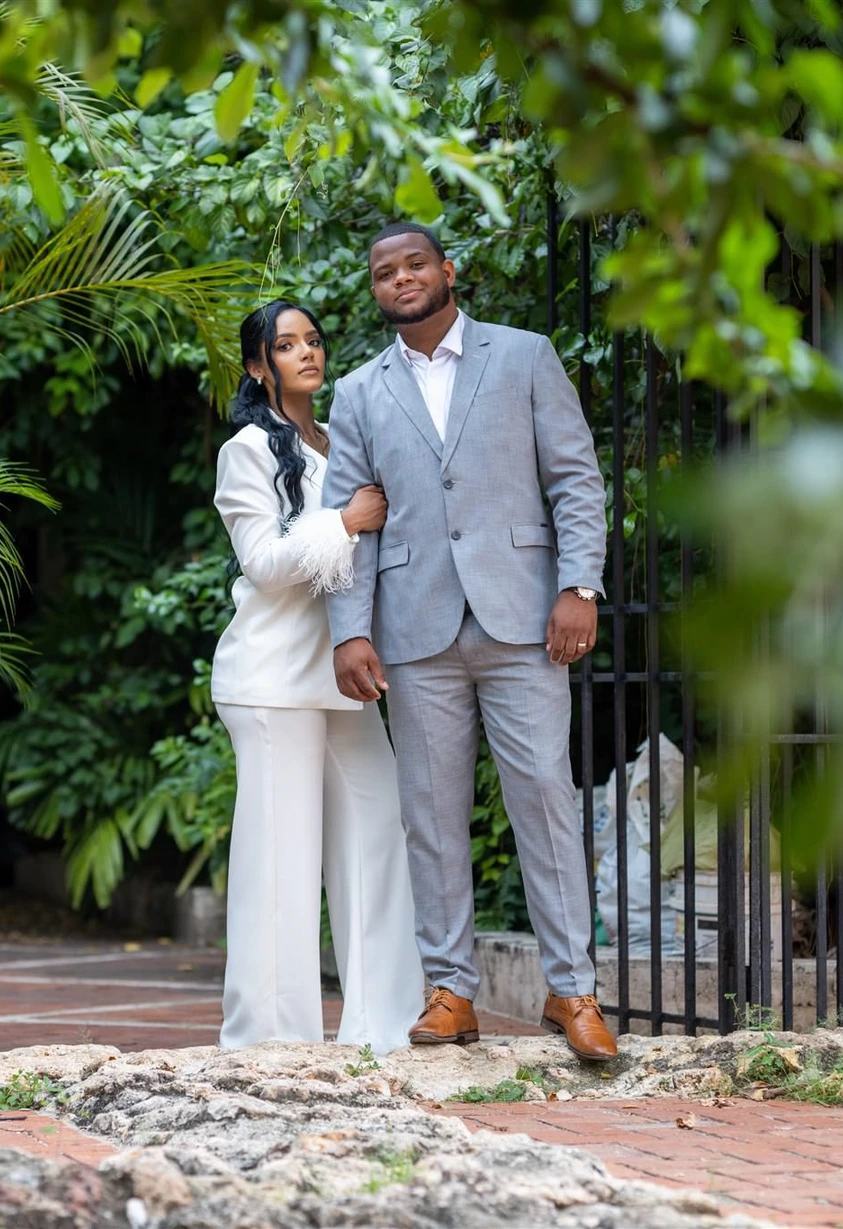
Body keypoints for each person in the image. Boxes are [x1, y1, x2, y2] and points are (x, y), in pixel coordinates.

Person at [321, 222, 618, 1059]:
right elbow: (354, 524)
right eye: (384, 271)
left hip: (524, 619)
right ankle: (451, 990)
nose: (401, 278)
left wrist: (577, 586)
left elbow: (574, 479)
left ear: (446, 271)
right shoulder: (359, 392)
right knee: (432, 816)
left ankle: (572, 992)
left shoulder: (522, 356)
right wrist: (350, 631)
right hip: (414, 631)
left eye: (414, 263)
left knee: (545, 803)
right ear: (375, 288)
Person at [210, 298, 425, 1054]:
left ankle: (386, 1027)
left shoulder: (338, 440)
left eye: (313, 340)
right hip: (271, 678)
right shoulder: (247, 449)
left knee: (377, 836)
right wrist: (345, 520)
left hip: (343, 671)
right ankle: (272, 1042)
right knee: (280, 862)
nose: (307, 353)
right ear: (255, 365)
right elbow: (264, 565)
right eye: (286, 344)